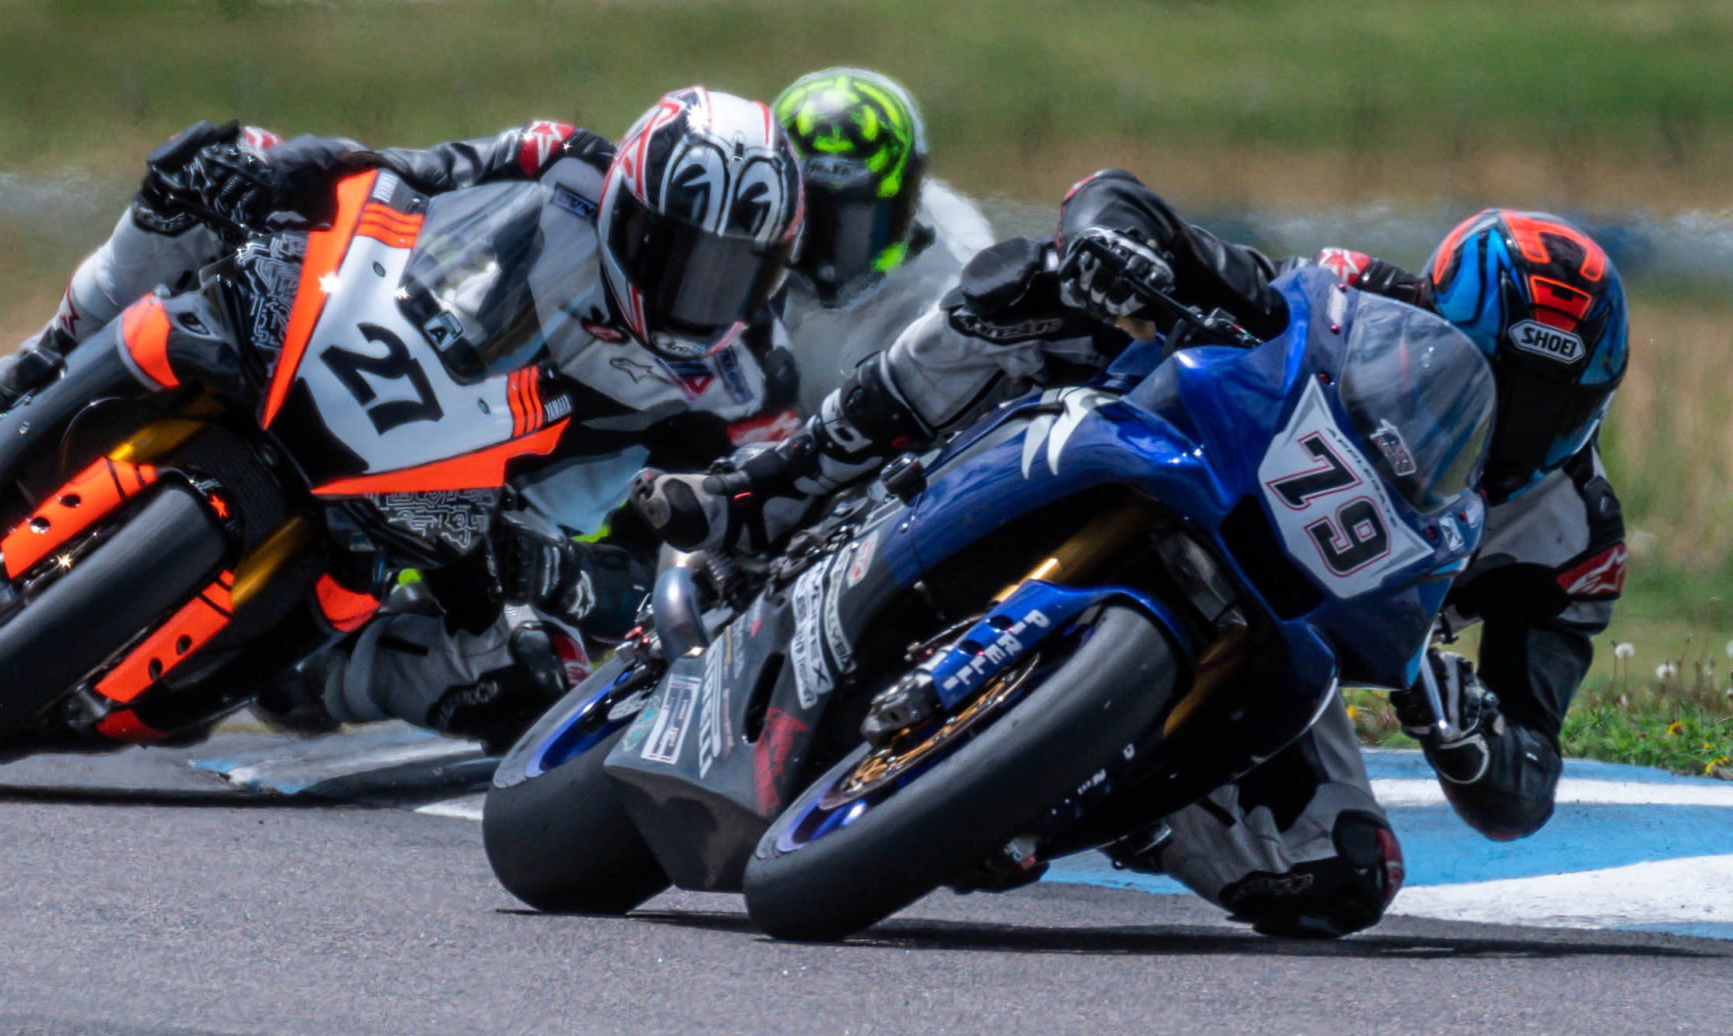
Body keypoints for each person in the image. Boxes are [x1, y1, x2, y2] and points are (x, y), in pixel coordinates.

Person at [632, 170, 1628, 936]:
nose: (1514, 420)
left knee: (1344, 874)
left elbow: (1524, 784)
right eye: (1495, 377)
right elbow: (1161, 227)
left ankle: (1086, 795)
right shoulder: (1356, 300)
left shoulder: (1574, 535)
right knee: (1038, 280)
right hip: (1175, 458)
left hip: (1293, 634)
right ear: (1439, 321)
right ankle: (772, 489)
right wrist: (1122, 240)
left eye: (1553, 404)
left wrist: (1471, 734)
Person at [0, 87, 807, 748]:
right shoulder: (562, 161)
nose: (696, 294)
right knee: (214, 161)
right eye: (678, 255)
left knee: (538, 678)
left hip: (496, 513)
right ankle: (32, 364)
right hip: (402, 341)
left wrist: (556, 570)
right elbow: (405, 173)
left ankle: (311, 671)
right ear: (624, 206)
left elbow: (704, 571)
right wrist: (272, 174)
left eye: (731, 273)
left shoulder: (745, 386)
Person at [769, 68, 993, 410]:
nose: (828, 254)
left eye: (852, 222)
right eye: (812, 218)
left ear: (905, 205)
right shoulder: (738, 252)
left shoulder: (944, 293)